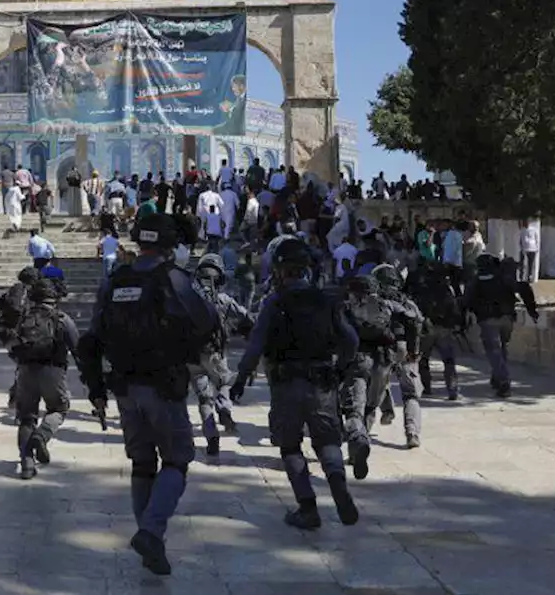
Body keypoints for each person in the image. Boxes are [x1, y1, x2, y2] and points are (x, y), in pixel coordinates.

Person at [75, 214, 219, 575]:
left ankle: (148, 539)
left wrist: (95, 390)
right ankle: (151, 532)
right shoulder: (173, 278)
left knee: (142, 464)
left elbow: (91, 340)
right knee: (176, 461)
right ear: (170, 245)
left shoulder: (114, 281)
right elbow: (209, 320)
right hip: (164, 385)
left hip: (124, 387)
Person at [230, 238, 360, 530]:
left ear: (280, 270)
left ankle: (308, 508)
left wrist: (241, 379)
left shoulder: (275, 302)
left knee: (290, 446)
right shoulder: (326, 300)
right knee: (327, 441)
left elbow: (255, 345)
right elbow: (350, 340)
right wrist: (340, 368)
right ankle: (338, 484)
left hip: (286, 383)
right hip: (323, 381)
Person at [337, 272, 418, 479]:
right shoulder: (388, 305)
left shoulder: (347, 308)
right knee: (371, 406)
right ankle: (360, 447)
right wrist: (412, 347)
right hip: (383, 362)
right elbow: (414, 319)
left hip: (358, 362)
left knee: (354, 409)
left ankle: (358, 444)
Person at [10, 279, 79, 479]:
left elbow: (12, 344)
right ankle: (42, 435)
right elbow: (78, 349)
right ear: (54, 297)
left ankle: (27, 464)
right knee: (59, 409)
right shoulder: (62, 319)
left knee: (26, 417)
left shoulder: (23, 318)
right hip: (53, 371)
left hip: (25, 371)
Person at [192, 254, 253, 456]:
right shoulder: (224, 300)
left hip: (192, 356)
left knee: (203, 399)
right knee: (224, 382)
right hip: (216, 353)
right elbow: (247, 318)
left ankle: (211, 435)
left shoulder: (189, 299)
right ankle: (224, 408)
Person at [466, 253, 538, 398]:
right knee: (502, 347)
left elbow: (467, 300)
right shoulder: (504, 278)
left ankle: (504, 380)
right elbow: (524, 288)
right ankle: (497, 377)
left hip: (487, 320)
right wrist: (532, 310)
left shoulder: (476, 280)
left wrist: (466, 316)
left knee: (493, 351)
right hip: (507, 319)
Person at [372, 265, 426, 448]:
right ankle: (412, 432)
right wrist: (415, 350)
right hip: (408, 352)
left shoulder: (376, 302)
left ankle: (387, 411)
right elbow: (420, 324)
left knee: (379, 385)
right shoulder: (408, 303)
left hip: (383, 351)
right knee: (411, 394)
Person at [407, 262, 464, 400]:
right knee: (449, 360)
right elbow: (454, 308)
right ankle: (453, 389)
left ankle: (426, 387)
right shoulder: (445, 290)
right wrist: (457, 325)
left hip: (427, 329)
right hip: (444, 329)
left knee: (423, 360)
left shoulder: (422, 289)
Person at [519, 218, 540, 283]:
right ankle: (522, 277)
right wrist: (521, 247)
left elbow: (537, 239)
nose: (525, 224)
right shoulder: (522, 230)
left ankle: (529, 276)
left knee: (530, 264)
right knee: (523, 263)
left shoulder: (533, 230)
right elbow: (521, 240)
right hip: (524, 249)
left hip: (532, 248)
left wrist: (537, 248)